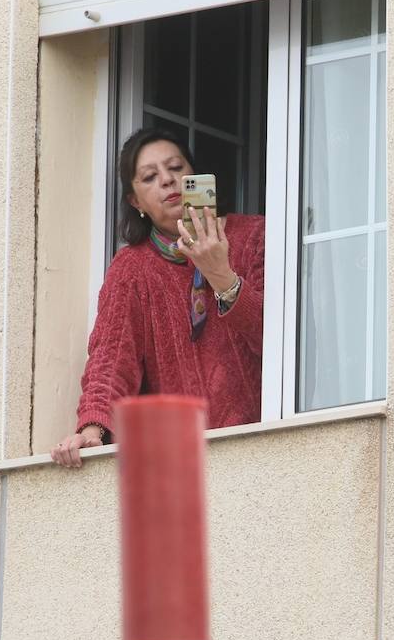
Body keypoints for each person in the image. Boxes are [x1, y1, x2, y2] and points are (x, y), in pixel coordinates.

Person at [50, 128, 265, 467]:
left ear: (196, 176)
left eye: (177, 168)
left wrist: (221, 276)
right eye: (150, 177)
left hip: (264, 447)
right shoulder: (132, 269)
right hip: (178, 462)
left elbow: (281, 342)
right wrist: (92, 429)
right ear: (135, 201)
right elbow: (111, 357)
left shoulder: (255, 235)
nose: (167, 180)